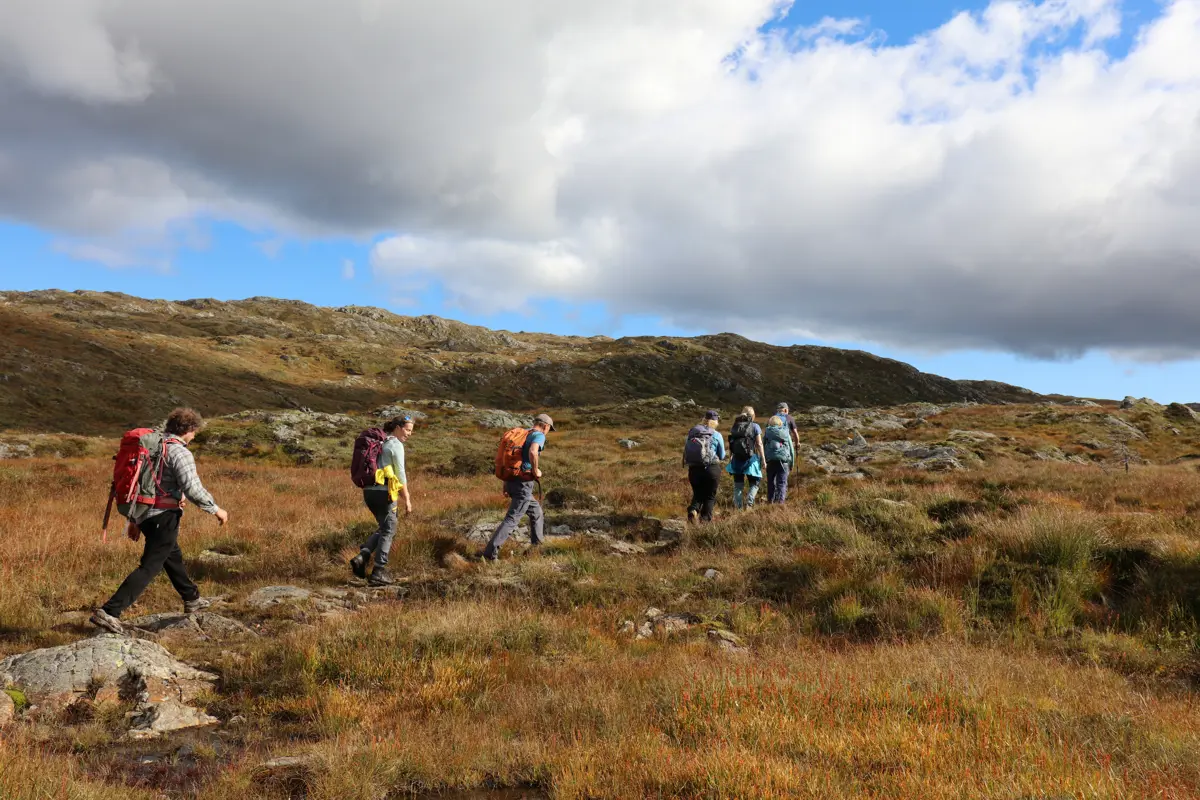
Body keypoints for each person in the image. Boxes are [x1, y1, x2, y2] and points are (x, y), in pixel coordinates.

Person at [90, 408, 229, 635]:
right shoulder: (178, 452)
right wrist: (216, 510)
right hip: (163, 516)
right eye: (194, 432)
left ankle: (191, 598)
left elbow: (143, 484)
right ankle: (109, 611)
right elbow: (192, 488)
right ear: (189, 430)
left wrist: (135, 519)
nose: (194, 436)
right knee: (150, 566)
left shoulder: (153, 446)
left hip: (144, 513)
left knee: (171, 555)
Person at [350, 415, 414, 586]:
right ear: (398, 427)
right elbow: (400, 474)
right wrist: (407, 498)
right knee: (389, 529)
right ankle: (379, 571)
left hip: (369, 492)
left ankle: (362, 557)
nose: (409, 434)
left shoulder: (380, 442)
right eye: (408, 430)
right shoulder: (395, 445)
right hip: (384, 493)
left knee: (384, 526)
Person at [482, 413, 555, 561]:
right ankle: (490, 553)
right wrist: (535, 471)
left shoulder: (522, 434)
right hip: (523, 483)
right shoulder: (539, 435)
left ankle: (537, 547)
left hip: (512, 480)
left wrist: (506, 483)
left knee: (537, 512)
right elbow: (534, 452)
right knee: (512, 519)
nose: (548, 432)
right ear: (545, 426)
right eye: (549, 429)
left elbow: (510, 460)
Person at [684, 409, 726, 523]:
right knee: (710, 496)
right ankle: (705, 522)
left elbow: (686, 450)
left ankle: (693, 510)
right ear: (715, 421)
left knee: (698, 493)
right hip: (711, 469)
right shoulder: (717, 434)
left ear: (704, 419)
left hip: (694, 469)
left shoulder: (692, 432)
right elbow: (722, 455)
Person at [726, 406, 766, 509]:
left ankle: (738, 508)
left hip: (736, 459)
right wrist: (763, 460)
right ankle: (749, 502)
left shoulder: (735, 426)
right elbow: (759, 444)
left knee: (738, 486)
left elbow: (731, 443)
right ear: (753, 415)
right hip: (751, 460)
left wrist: (730, 458)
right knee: (755, 482)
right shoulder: (755, 426)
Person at [763, 415, 796, 504]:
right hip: (784, 461)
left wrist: (762, 461)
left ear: (770, 423)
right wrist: (792, 463)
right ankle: (780, 504)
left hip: (770, 461)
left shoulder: (767, 432)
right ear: (780, 423)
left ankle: (770, 502)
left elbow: (762, 446)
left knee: (771, 483)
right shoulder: (785, 432)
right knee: (782, 483)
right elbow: (791, 450)